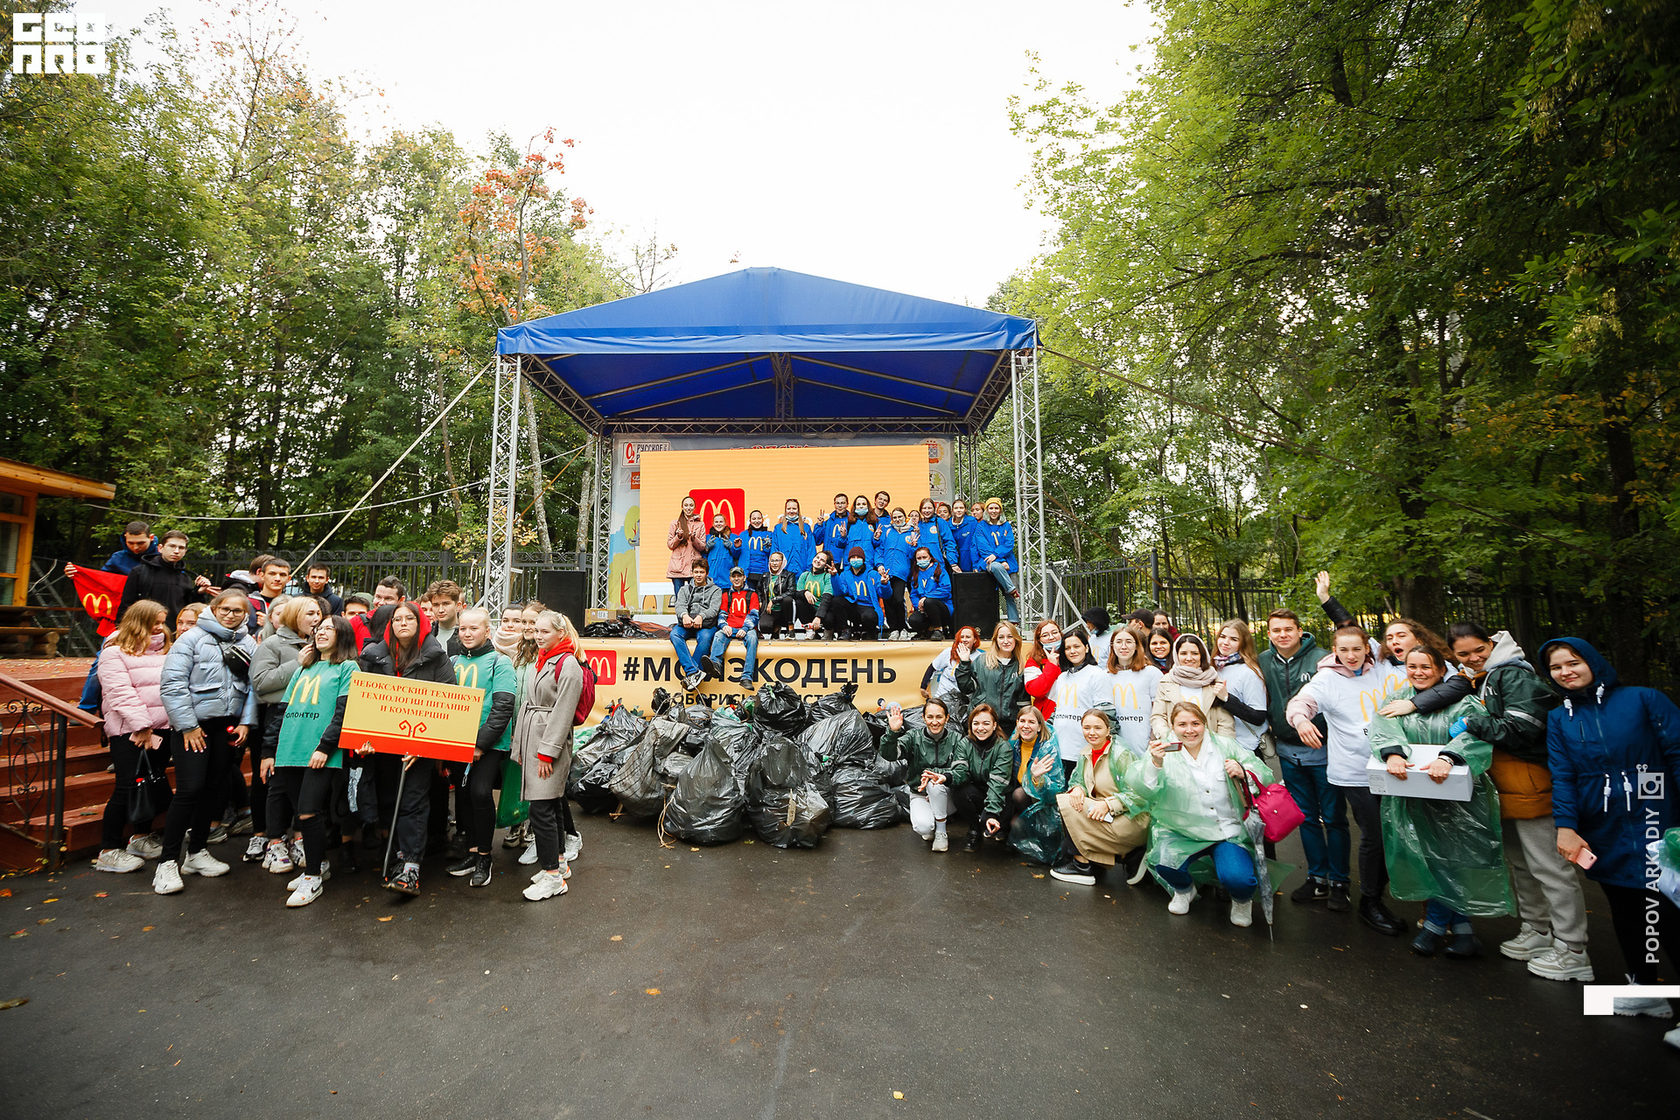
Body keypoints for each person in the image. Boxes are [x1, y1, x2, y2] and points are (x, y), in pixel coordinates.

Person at [1542, 637, 1680, 1031]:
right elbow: (1564, 776)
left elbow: (1677, 753)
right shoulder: (1559, 718)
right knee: (1627, 911)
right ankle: (1646, 991)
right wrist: (1566, 827)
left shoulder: (1643, 699)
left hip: (1658, 815)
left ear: (1593, 662)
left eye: (1573, 662)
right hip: (1605, 826)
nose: (1566, 672)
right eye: (1556, 668)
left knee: (1667, 913)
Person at [1445, 622, 1589, 978]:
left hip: (1532, 785)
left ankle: (1573, 950)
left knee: (1550, 869)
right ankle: (1538, 931)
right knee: (1523, 866)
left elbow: (1524, 729)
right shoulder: (1481, 679)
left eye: (1479, 649)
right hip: (1505, 787)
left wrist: (1472, 722)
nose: (1473, 657)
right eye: (1463, 654)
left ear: (1492, 643)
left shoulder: (1512, 675)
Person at [1369, 644, 1513, 958]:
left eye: (1426, 667)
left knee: (1456, 860)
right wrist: (1393, 752)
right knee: (1426, 859)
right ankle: (1459, 930)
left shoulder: (1463, 700)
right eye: (1412, 666)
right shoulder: (1396, 699)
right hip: (1412, 797)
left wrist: (1449, 758)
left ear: (1439, 669)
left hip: (1458, 800)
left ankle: (1438, 927)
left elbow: (1476, 733)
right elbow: (1382, 727)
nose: (1418, 673)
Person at [1286, 624, 1401, 931]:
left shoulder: (1383, 668)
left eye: (1357, 649)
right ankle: (1370, 901)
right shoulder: (1327, 679)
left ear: (1368, 649)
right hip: (1355, 772)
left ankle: (1388, 895)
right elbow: (1301, 702)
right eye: (1343, 650)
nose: (1351, 656)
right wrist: (1300, 721)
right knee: (1374, 835)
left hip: (1396, 766)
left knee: (1396, 835)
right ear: (1334, 651)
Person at [152, 590, 258, 895]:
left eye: (238, 611)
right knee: (189, 790)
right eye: (225, 609)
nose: (231, 615)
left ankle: (196, 852)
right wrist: (187, 726)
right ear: (214, 608)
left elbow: (252, 687)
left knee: (215, 789)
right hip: (193, 729)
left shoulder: (248, 642)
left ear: (245, 614)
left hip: (227, 729)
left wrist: (245, 722)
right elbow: (172, 685)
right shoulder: (192, 639)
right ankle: (167, 862)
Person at [1132, 701, 1267, 925]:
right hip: (1181, 829)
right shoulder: (1164, 750)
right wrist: (1154, 763)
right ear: (1172, 727)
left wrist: (1243, 772)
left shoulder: (1225, 746)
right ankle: (1184, 890)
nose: (1189, 730)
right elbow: (1142, 788)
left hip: (1226, 830)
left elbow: (1264, 774)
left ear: (1205, 724)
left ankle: (1242, 900)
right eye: (1182, 724)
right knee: (1163, 860)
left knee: (1238, 878)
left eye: (1196, 723)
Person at [357, 600, 456, 895]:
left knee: (413, 803)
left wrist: (424, 747)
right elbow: (362, 700)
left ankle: (411, 866)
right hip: (381, 748)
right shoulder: (372, 656)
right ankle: (397, 856)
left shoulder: (437, 658)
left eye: (408, 619)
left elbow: (447, 705)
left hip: (418, 750)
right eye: (397, 619)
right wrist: (363, 738)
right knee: (389, 801)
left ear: (420, 624)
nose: (402, 623)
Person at [260, 616, 358, 907]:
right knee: (298, 810)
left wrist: (325, 747)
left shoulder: (347, 667)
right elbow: (282, 711)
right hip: (289, 751)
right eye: (320, 629)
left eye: (330, 628)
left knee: (308, 813)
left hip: (320, 753)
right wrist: (268, 751)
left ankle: (313, 875)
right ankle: (321, 863)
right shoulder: (304, 668)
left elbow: (344, 711)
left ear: (342, 635)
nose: (322, 633)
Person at [1260, 607, 1341, 909]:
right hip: (1287, 750)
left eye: (1288, 629)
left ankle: (1340, 880)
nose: (1282, 635)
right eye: (1276, 630)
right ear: (1269, 633)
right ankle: (1318, 878)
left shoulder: (1321, 658)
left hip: (1324, 748)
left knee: (1333, 817)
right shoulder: (1263, 661)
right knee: (1305, 817)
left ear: (1299, 630)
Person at [94, 600, 172, 874]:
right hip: (130, 731)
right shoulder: (113, 652)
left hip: (162, 728)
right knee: (127, 786)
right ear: (139, 620)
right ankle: (108, 849)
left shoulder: (164, 649)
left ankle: (140, 836)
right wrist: (141, 725)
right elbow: (119, 692)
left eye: (162, 621)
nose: (160, 627)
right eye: (156, 621)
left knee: (150, 783)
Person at [513, 610, 586, 901]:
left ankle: (552, 875)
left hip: (547, 744)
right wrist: (521, 746)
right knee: (552, 804)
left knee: (541, 809)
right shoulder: (542, 659)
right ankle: (557, 864)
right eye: (535, 630)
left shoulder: (568, 665)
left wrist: (547, 753)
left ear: (560, 633)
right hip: (534, 741)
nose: (537, 635)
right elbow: (529, 705)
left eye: (544, 631)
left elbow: (563, 714)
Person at [445, 608, 518, 889]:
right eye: (463, 628)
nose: (467, 633)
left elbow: (502, 708)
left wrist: (480, 744)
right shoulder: (452, 661)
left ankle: (486, 857)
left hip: (489, 745)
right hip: (457, 743)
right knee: (462, 796)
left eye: (473, 628)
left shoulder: (500, 663)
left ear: (487, 631)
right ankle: (472, 853)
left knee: (479, 792)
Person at [248, 595, 321, 869]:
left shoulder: (319, 643)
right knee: (278, 782)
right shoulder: (272, 644)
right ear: (293, 616)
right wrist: (297, 664)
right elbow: (261, 683)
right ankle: (274, 842)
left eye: (318, 613)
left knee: (303, 782)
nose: (316, 618)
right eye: (309, 613)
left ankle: (299, 837)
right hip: (278, 718)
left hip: (309, 719)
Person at [1049, 708, 1151, 887]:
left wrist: (1108, 804)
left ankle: (1082, 865)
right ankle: (1126, 857)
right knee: (1072, 799)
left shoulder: (1121, 754)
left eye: (1097, 727)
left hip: (1130, 818)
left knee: (1066, 805)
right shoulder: (1086, 752)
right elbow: (1077, 779)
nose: (1092, 733)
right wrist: (1078, 788)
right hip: (1106, 815)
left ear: (1108, 729)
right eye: (1086, 727)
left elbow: (1140, 795)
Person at [878, 696, 985, 853]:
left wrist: (937, 776)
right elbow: (890, 755)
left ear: (947, 718)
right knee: (924, 828)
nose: (935, 722)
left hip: (948, 795)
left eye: (939, 717)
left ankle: (941, 832)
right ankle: (932, 825)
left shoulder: (956, 739)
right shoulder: (914, 737)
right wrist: (893, 732)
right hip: (920, 795)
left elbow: (963, 772)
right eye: (930, 717)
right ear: (923, 718)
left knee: (934, 784)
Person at [982, 703, 1065, 864]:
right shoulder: (1013, 745)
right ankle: (1010, 825)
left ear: (1040, 727)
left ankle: (1025, 829)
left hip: (1039, 802)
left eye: (1031, 722)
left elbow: (1054, 793)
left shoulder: (1047, 750)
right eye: (1022, 721)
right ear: (1017, 724)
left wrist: (1037, 778)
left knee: (1019, 796)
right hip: (1017, 795)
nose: (1026, 726)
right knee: (1010, 800)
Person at [1047, 627, 1112, 775]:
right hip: (1060, 748)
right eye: (1068, 648)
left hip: (1084, 749)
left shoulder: (1097, 675)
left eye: (1077, 646)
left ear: (1086, 648)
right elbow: (1057, 710)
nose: (1072, 651)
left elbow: (1106, 715)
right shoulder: (1062, 677)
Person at [117, 530, 214, 628]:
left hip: (173, 633)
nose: (176, 551)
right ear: (160, 548)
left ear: (185, 552)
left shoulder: (185, 578)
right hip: (143, 630)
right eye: (172, 546)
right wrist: (120, 629)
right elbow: (126, 605)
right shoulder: (140, 572)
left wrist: (199, 593)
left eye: (181, 548)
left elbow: (190, 609)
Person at [1150, 634, 1237, 743]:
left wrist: (1223, 749)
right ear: (1176, 656)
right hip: (1176, 748)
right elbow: (1158, 716)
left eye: (1195, 653)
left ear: (1202, 655)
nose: (1189, 658)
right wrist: (1169, 738)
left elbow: (1225, 722)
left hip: (1211, 749)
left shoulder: (1214, 681)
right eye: (1183, 653)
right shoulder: (1166, 682)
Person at [956, 621, 1028, 738]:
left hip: (1009, 728)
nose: (1006, 641)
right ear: (995, 640)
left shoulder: (1020, 666)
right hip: (982, 724)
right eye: (1001, 637)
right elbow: (966, 688)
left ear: (1016, 639)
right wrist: (964, 663)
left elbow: (1023, 701)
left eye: (1010, 636)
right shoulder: (982, 661)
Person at [1213, 620, 1270, 762]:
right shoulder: (1214, 667)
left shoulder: (1249, 672)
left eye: (1233, 639)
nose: (1225, 642)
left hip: (1246, 749)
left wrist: (1227, 698)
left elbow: (1258, 716)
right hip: (1220, 747)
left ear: (1243, 643)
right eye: (1222, 636)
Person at [1105, 628, 1162, 759]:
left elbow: (1158, 709)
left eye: (1129, 642)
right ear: (1112, 646)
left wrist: (1153, 740)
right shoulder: (1105, 676)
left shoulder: (1151, 673)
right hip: (1116, 747)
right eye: (1119, 642)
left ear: (1136, 646)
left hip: (1145, 744)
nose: (1123, 646)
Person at [960, 704, 1008, 852]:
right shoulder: (964, 743)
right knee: (958, 790)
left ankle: (1002, 827)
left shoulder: (1003, 747)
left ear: (994, 725)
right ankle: (975, 831)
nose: (980, 728)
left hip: (1000, 797)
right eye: (976, 723)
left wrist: (991, 813)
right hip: (978, 792)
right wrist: (946, 777)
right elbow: (959, 773)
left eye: (986, 723)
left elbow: (998, 783)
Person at [669, 561, 722, 690]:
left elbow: (714, 609)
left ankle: (693, 674)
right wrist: (684, 615)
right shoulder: (684, 589)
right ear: (692, 573)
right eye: (696, 572)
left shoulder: (716, 590)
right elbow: (679, 605)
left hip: (705, 624)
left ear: (707, 573)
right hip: (687, 622)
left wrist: (701, 616)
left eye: (702, 572)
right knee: (674, 634)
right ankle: (693, 671)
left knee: (705, 639)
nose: (698, 575)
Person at [707, 567, 760, 687]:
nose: (736, 579)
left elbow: (754, 615)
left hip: (746, 628)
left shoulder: (752, 594)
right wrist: (724, 625)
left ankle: (747, 677)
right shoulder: (726, 595)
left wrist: (745, 629)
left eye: (739, 576)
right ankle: (715, 665)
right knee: (718, 635)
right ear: (730, 579)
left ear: (744, 578)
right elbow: (722, 614)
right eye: (734, 576)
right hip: (730, 628)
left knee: (753, 638)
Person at [826, 546, 888, 640]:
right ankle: (845, 629)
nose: (855, 560)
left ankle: (869, 632)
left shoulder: (873, 574)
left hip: (869, 607)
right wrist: (834, 577)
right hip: (854, 606)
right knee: (836, 601)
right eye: (853, 557)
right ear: (849, 560)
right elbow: (839, 592)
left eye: (858, 557)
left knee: (868, 616)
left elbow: (885, 594)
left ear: (863, 560)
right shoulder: (845, 574)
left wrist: (885, 584)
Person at [63, 519, 157, 580]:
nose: (135, 547)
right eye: (130, 543)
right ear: (125, 538)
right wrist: (77, 575)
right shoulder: (118, 558)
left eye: (140, 543)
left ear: (151, 537)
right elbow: (101, 581)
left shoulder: (162, 557)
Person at [975, 497, 1020, 624]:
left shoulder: (1006, 526)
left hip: (1008, 564)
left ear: (1000, 510)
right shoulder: (981, 526)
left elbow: (1009, 544)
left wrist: (999, 556)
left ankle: (1014, 621)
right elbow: (983, 547)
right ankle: (1011, 588)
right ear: (987, 510)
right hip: (990, 562)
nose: (993, 511)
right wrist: (999, 560)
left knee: (1010, 598)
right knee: (996, 567)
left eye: (996, 508)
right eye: (991, 508)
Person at [876, 508, 915, 637]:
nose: (898, 520)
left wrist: (913, 547)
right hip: (886, 572)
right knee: (887, 599)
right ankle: (893, 629)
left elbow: (912, 555)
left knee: (898, 599)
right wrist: (879, 564)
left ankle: (902, 627)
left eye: (900, 517)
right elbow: (880, 549)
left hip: (901, 572)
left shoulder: (911, 533)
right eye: (895, 517)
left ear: (905, 517)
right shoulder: (887, 531)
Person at [905, 545, 952, 639]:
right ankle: (926, 632)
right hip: (924, 608)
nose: (922, 560)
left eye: (924, 557)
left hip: (942, 607)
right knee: (913, 620)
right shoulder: (916, 574)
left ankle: (938, 630)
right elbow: (913, 594)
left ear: (930, 557)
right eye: (919, 558)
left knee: (929, 601)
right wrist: (919, 606)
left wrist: (925, 597)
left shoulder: (939, 570)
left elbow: (946, 589)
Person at [922, 626, 978, 707]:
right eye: (962, 637)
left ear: (975, 640)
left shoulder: (979, 657)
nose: (964, 640)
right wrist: (923, 687)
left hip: (964, 701)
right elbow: (933, 667)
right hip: (942, 698)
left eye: (968, 637)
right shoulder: (949, 652)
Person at [665, 496, 707, 598]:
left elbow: (702, 546)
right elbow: (670, 545)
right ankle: (681, 615)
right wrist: (678, 537)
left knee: (694, 599)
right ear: (682, 507)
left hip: (693, 567)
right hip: (677, 567)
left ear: (694, 507)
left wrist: (694, 538)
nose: (688, 508)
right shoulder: (675, 523)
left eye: (691, 505)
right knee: (680, 599)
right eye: (686, 505)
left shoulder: (700, 524)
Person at [760, 552, 809, 639]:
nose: (774, 563)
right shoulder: (765, 576)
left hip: (784, 609)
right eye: (772, 561)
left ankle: (790, 628)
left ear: (783, 562)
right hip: (770, 609)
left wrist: (774, 600)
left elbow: (791, 591)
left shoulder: (789, 575)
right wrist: (760, 601)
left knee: (788, 600)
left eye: (777, 560)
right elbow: (759, 590)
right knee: (764, 627)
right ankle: (776, 627)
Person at [1021, 620, 1063, 722]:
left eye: (1055, 632)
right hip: (1046, 719)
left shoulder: (1071, 655)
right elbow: (1035, 690)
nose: (1051, 637)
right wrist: (1052, 665)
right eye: (1045, 635)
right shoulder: (1034, 661)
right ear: (1039, 640)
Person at [771, 499, 814, 579]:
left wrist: (809, 570)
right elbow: (774, 550)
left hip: (802, 573)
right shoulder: (778, 528)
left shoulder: (806, 528)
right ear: (785, 510)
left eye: (794, 509)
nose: (791, 511)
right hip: (783, 573)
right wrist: (776, 570)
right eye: (789, 509)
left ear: (798, 510)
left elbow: (811, 550)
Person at [797, 550, 835, 640]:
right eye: (817, 558)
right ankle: (810, 631)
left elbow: (827, 597)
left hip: (823, 610)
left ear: (826, 565)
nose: (818, 561)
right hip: (810, 610)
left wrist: (818, 617)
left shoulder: (827, 576)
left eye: (822, 560)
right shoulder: (804, 575)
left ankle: (828, 631)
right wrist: (805, 592)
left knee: (830, 616)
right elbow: (797, 593)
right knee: (798, 602)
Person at [702, 513, 742, 587]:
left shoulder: (733, 537)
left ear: (725, 523)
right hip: (711, 579)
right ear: (713, 524)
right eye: (716, 522)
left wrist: (732, 547)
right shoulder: (707, 538)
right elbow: (703, 557)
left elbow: (737, 556)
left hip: (727, 579)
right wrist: (706, 548)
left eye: (721, 522)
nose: (718, 524)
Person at [742, 510, 774, 601]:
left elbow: (772, 553)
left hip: (763, 572)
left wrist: (768, 547)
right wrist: (736, 547)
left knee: (763, 598)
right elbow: (737, 553)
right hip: (748, 573)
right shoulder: (743, 534)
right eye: (754, 518)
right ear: (750, 521)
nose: (757, 521)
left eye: (759, 518)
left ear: (763, 520)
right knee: (750, 598)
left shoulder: (769, 534)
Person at [842, 496, 880, 572]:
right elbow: (840, 544)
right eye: (858, 504)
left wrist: (876, 539)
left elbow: (877, 545)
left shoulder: (874, 523)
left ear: (868, 506)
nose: (861, 506)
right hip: (850, 564)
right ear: (855, 507)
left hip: (868, 563)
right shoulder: (848, 522)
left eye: (864, 504)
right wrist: (843, 537)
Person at [426, 580, 464, 650]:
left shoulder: (468, 635)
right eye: (436, 605)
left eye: (446, 604)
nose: (441, 610)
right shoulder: (425, 634)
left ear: (458, 605)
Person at [946, 497, 979, 573]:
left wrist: (975, 564)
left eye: (961, 508)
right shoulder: (947, 525)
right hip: (953, 559)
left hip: (969, 557)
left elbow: (975, 543)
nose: (958, 510)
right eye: (956, 508)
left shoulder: (972, 522)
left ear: (965, 510)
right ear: (952, 510)